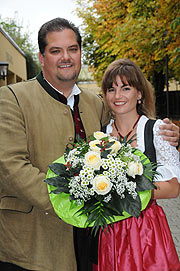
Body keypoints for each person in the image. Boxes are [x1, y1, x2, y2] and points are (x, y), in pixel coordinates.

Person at [0, 18, 179, 271]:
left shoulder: (94, 104)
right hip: (32, 244)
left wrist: (169, 133)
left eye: (72, 49)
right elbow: (10, 167)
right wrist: (74, 203)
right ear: (41, 57)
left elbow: (126, 131)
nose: (66, 57)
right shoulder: (12, 98)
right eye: (55, 51)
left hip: (93, 243)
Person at [92, 58, 180, 271]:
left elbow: (173, 188)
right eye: (111, 89)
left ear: (139, 93)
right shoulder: (99, 134)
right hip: (109, 230)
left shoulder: (157, 130)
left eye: (126, 88)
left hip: (146, 228)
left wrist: (124, 190)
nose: (118, 96)